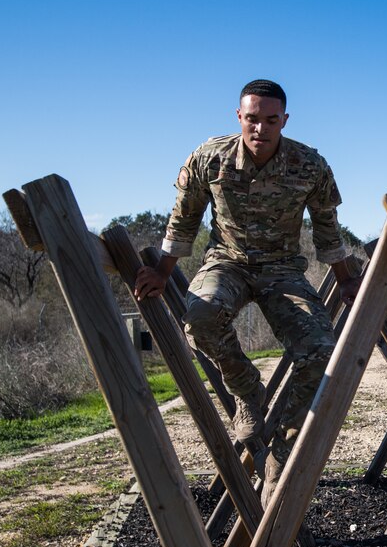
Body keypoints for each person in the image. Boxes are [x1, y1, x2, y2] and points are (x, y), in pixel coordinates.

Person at [134, 79, 361, 501]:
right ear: (239, 117)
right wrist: (164, 272)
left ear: (284, 120)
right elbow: (183, 219)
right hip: (228, 262)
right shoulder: (210, 158)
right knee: (199, 317)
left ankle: (281, 455)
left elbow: (328, 229)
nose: (260, 129)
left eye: (271, 120)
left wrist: (346, 277)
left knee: (321, 350)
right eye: (252, 119)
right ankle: (246, 391)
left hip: (282, 269)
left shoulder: (309, 165)